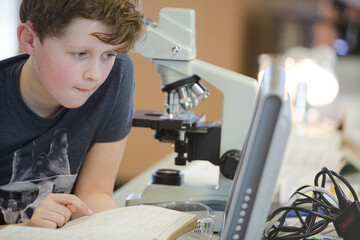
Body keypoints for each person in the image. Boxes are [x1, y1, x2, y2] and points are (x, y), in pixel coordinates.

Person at [0, 0, 145, 229]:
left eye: (109, 55)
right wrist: (25, 230)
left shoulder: (117, 73)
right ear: (29, 40)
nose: (95, 75)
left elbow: (94, 193)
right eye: (80, 53)